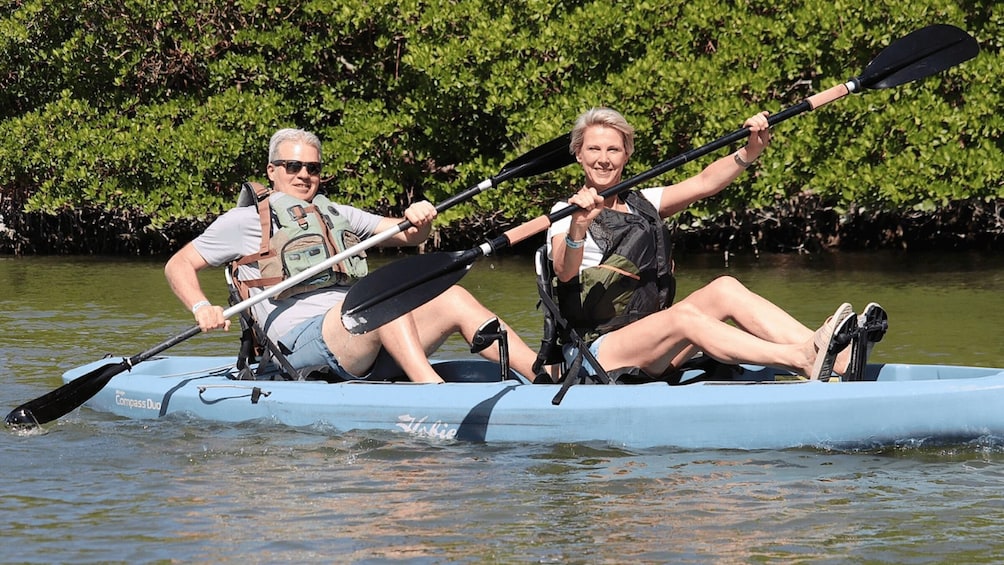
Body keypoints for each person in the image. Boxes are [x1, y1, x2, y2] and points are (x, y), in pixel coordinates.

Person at [165, 127, 540, 383]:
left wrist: (419, 219)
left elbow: (409, 235)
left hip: (359, 333)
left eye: (313, 168)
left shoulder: (338, 214)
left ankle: (546, 376)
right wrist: (202, 307)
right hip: (298, 345)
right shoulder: (244, 221)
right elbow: (179, 264)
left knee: (451, 297)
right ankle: (432, 392)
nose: (303, 175)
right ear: (272, 170)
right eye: (293, 166)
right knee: (380, 302)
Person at [547, 107, 862, 380]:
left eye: (613, 150)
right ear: (578, 155)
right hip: (596, 353)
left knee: (724, 287)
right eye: (594, 149)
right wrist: (579, 226)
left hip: (655, 341)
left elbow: (704, 183)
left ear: (627, 154)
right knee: (684, 318)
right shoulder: (565, 213)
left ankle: (840, 360)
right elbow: (564, 271)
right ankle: (801, 358)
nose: (603, 159)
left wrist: (750, 150)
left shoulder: (643, 201)